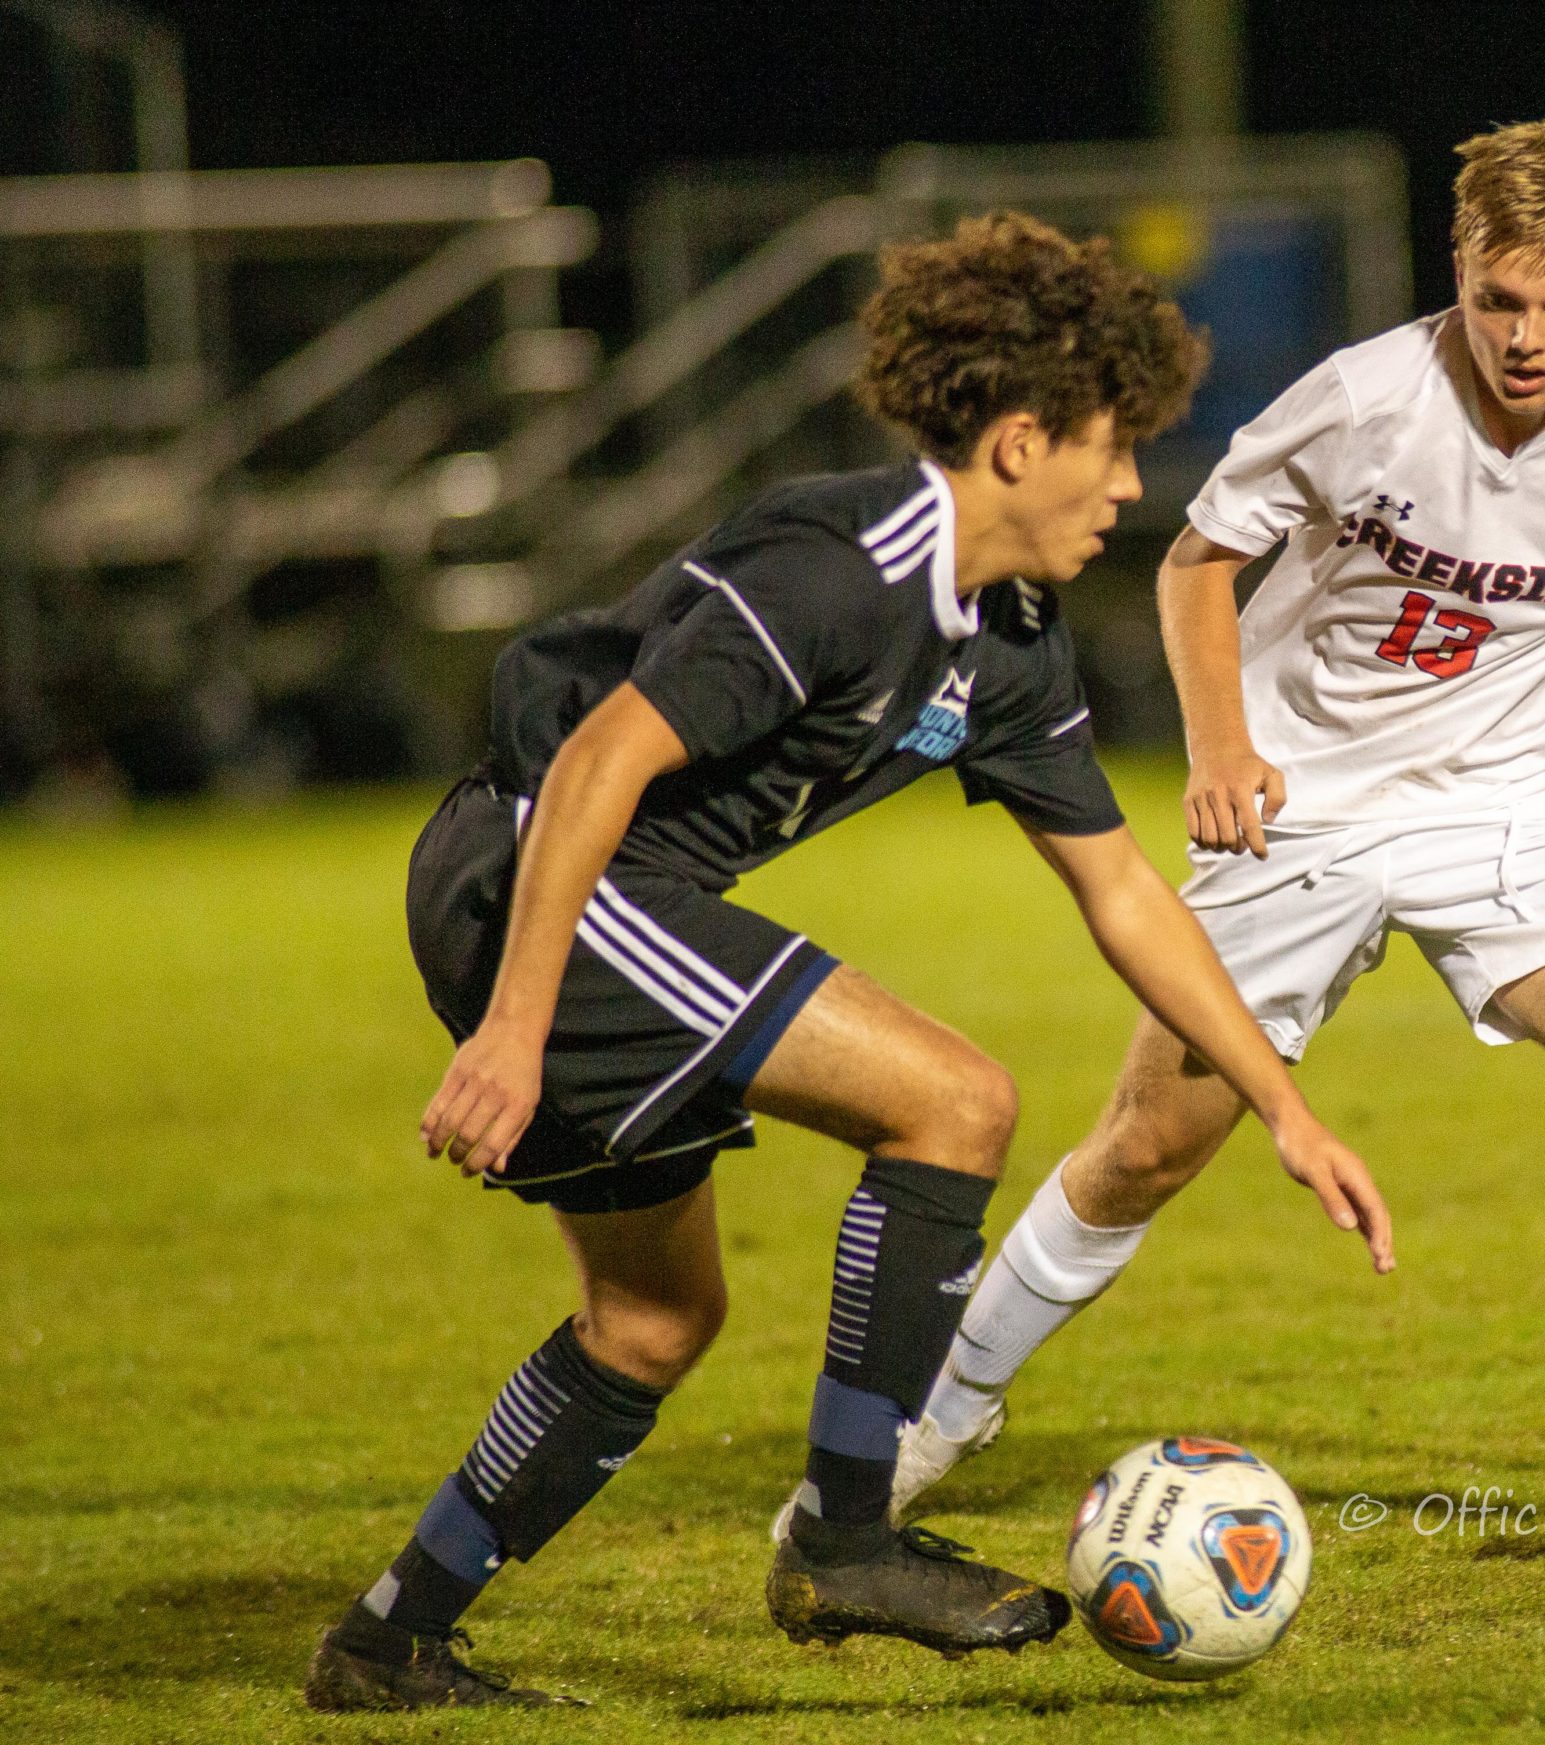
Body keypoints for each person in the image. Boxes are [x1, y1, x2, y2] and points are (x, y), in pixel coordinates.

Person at [302, 211, 1395, 1713]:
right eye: (1113, 445)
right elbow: (604, 761)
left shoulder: (1010, 642)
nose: (1135, 485)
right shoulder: (837, 564)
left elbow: (1126, 888)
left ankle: (387, 1640)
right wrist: (512, 1029)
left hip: (606, 896)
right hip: (535, 870)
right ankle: (847, 1534)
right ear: (1020, 443)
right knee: (956, 1101)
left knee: (654, 1322)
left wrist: (1285, 1107)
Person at [894, 124, 1545, 1540]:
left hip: (1507, 814)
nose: (1524, 336)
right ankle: (935, 1413)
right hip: (1301, 807)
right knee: (1145, 1148)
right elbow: (1200, 561)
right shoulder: (1365, 399)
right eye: (1499, 298)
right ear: (1461, 271)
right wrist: (1221, 746)